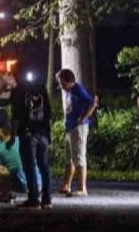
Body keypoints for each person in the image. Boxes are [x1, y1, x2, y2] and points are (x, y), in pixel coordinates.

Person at [12, 74, 52, 209]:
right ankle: (47, 200)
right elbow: (49, 113)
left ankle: (33, 199)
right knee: (44, 167)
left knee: (29, 167)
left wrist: (12, 136)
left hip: (28, 133)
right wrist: (49, 135)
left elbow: (16, 116)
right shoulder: (42, 89)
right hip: (43, 133)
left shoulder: (18, 91)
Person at [56, 68, 98, 197]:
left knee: (79, 157)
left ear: (69, 81)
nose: (60, 85)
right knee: (69, 158)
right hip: (70, 127)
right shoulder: (69, 91)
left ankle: (82, 188)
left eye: (62, 82)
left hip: (78, 128)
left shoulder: (78, 89)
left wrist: (84, 118)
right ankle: (66, 185)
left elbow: (92, 103)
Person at [0, 121, 40, 202]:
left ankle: (5, 192)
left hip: (22, 184)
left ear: (2, 132)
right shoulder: (23, 141)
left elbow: (2, 169)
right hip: (37, 184)